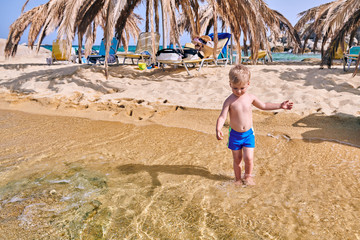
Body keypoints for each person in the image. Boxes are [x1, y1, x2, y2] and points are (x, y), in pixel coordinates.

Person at [216, 64, 293, 185]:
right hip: (235, 135)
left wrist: (280, 105)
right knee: (237, 159)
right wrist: (218, 128)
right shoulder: (229, 101)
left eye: (242, 88)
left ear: (248, 84)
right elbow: (222, 116)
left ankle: (247, 177)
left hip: (248, 134)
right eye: (235, 88)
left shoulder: (250, 98)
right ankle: (237, 179)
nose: (239, 91)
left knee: (249, 158)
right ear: (230, 84)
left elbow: (264, 105)